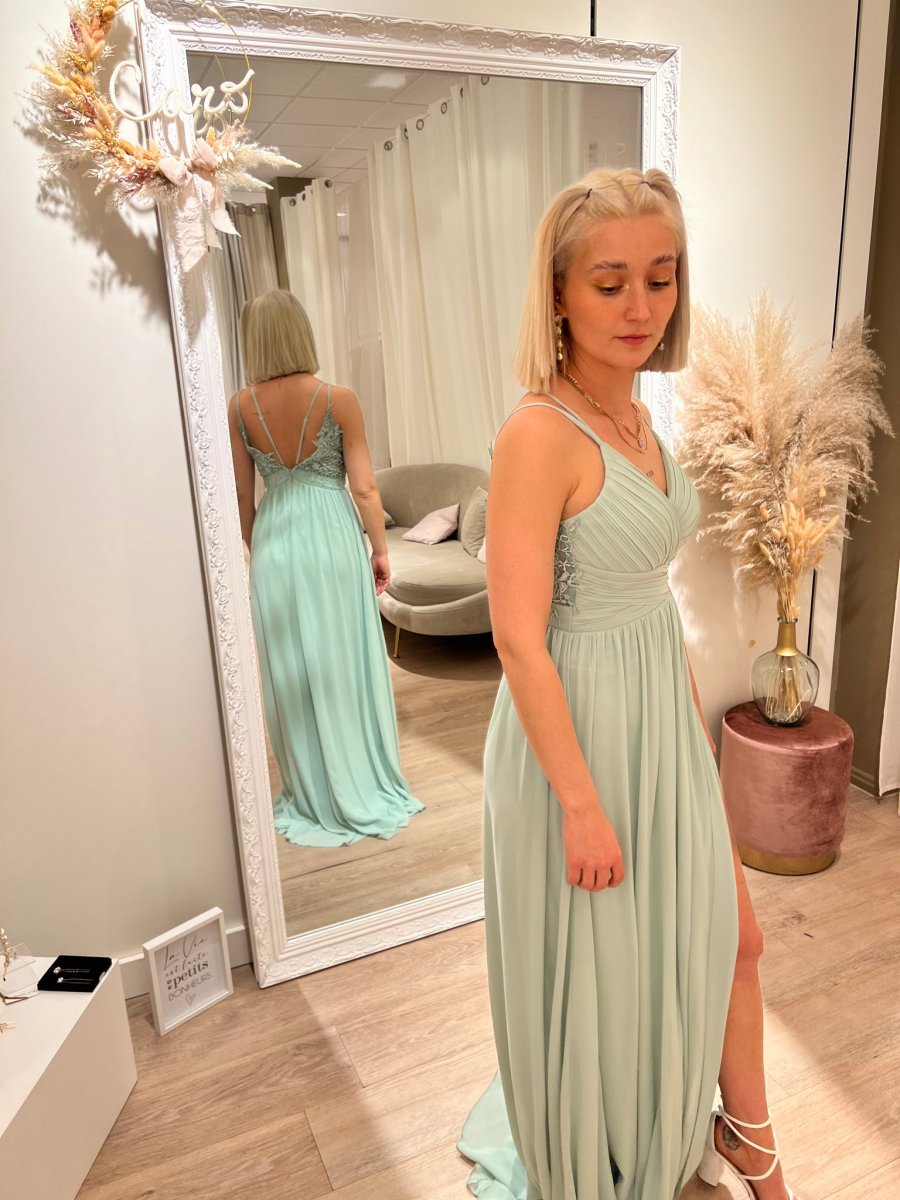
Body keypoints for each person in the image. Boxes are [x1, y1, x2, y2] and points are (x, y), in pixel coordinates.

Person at [458, 169, 801, 1200]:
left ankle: (742, 1137)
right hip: (577, 738)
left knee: (726, 936)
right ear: (559, 296)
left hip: (657, 715)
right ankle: (639, 1149)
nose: (640, 306)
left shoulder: (639, 419)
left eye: (661, 276)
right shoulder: (536, 434)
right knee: (607, 974)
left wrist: (694, 744)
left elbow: (651, 602)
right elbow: (517, 639)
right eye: (609, 284)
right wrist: (580, 806)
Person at [227, 289, 422, 847]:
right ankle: (359, 779)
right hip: (333, 536)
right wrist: (380, 549)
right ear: (301, 332)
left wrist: (259, 548)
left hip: (274, 540)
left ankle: (311, 792)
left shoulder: (240, 408)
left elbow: (242, 499)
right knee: (342, 660)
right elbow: (365, 488)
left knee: (292, 672)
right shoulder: (339, 399)